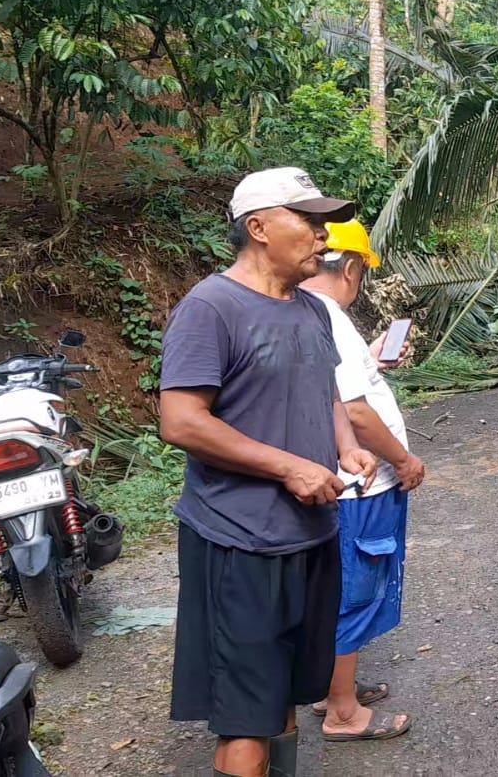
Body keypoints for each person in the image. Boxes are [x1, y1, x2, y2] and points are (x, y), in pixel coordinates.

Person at [159, 166, 378, 777]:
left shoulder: (310, 311)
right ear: (257, 227)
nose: (323, 237)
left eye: (323, 224)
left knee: (283, 694)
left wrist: (343, 448)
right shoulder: (211, 307)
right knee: (246, 717)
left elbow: (325, 390)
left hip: (310, 534)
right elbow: (181, 421)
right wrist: (289, 467)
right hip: (240, 541)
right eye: (307, 222)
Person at [299, 220, 425, 743]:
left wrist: (369, 364)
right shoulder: (329, 315)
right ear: (352, 268)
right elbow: (355, 410)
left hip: (341, 483)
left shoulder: (299, 311)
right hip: (363, 486)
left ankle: (333, 688)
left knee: (340, 588)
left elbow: (339, 390)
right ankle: (343, 712)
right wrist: (406, 460)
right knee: (354, 591)